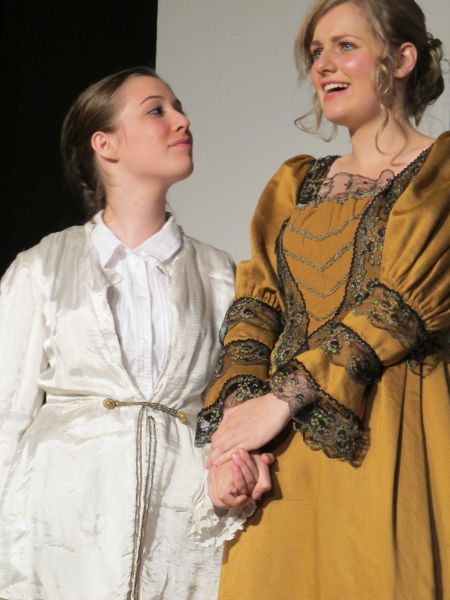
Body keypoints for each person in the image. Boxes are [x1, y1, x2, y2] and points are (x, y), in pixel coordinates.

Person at [197, 1, 450, 598]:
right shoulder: (295, 183)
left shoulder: (440, 170)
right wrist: (239, 429)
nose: (323, 65)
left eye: (345, 46)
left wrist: (282, 400)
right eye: (316, 52)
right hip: (280, 455)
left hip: (390, 425)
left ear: (402, 59)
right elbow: (256, 307)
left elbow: (397, 306)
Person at [0, 66, 271, 600]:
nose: (182, 121)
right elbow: (6, 415)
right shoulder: (42, 268)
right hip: (58, 529)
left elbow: (231, 407)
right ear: (105, 144)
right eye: (156, 110)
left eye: (179, 108)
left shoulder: (222, 276)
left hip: (180, 528)